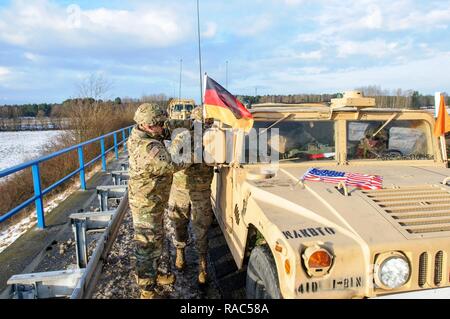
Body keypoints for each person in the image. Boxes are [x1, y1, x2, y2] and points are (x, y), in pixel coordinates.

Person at [127, 103, 191, 299]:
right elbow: (175, 163)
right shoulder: (148, 148)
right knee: (147, 246)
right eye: (160, 124)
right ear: (148, 125)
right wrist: (186, 143)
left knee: (156, 240)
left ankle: (152, 277)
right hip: (146, 205)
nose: (164, 127)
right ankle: (147, 290)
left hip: (151, 201)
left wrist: (190, 123)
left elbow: (168, 128)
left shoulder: (141, 133)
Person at [168, 107, 214, 285]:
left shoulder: (215, 138)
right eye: (202, 121)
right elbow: (171, 157)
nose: (204, 125)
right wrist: (191, 156)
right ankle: (180, 253)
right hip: (180, 188)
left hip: (201, 191)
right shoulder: (182, 136)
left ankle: (202, 266)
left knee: (201, 228)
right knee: (179, 224)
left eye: (208, 122)